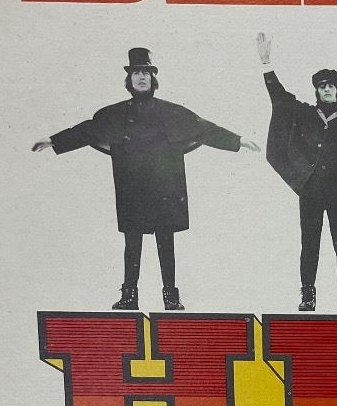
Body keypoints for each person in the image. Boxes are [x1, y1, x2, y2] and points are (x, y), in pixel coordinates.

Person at [33, 48, 259, 310]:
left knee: (166, 240)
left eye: (146, 72)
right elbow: (86, 131)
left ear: (153, 78)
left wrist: (238, 141)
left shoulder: (172, 111)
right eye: (136, 72)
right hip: (132, 187)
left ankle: (171, 296)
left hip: (165, 187)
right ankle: (129, 296)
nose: (141, 77)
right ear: (129, 80)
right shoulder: (113, 114)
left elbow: (205, 128)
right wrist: (53, 140)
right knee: (132, 241)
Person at [256, 33, 337, 312]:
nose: (327, 90)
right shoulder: (305, 114)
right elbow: (280, 98)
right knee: (309, 245)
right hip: (311, 192)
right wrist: (267, 64)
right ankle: (308, 296)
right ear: (316, 91)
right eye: (322, 86)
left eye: (331, 86)